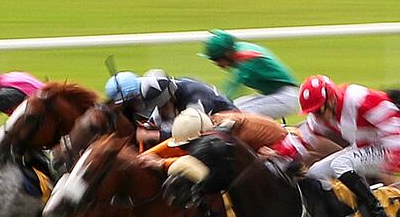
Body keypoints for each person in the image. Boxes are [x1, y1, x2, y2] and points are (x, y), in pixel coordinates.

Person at [274, 75, 400, 217]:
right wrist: (277, 157)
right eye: (313, 112)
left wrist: (391, 165)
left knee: (341, 163)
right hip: (365, 148)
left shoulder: (359, 98)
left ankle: (379, 213)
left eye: (319, 110)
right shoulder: (320, 116)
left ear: (331, 100)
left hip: (395, 147)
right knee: (315, 172)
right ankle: (340, 213)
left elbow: (393, 126)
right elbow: (302, 139)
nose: (316, 116)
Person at [105, 68, 236, 147]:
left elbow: (193, 132)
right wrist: (149, 127)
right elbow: (157, 121)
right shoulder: (161, 94)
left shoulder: (195, 98)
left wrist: (154, 135)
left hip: (231, 132)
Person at [141, 107, 289, 172]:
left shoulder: (222, 139)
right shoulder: (210, 123)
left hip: (284, 152)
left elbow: (196, 163)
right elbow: (177, 143)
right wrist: (144, 156)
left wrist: (161, 163)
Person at [201, 29, 299, 119]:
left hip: (285, 97)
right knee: (234, 106)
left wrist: (213, 105)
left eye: (216, 59)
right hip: (275, 94)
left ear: (227, 54)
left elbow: (233, 86)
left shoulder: (246, 59)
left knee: (238, 115)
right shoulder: (238, 50)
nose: (216, 64)